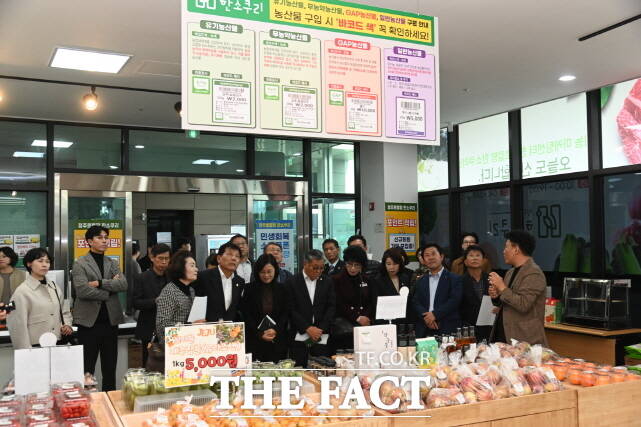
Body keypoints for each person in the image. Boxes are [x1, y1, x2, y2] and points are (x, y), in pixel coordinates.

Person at [72, 225, 128, 392]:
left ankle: (109, 399)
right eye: (99, 237)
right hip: (89, 324)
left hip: (110, 323)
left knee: (110, 368)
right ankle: (86, 401)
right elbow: (82, 291)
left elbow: (123, 284)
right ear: (89, 241)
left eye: (106, 237)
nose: (104, 241)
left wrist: (100, 283)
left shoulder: (112, 262)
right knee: (87, 369)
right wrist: (108, 291)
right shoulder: (80, 263)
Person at [489, 230, 547, 345]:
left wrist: (502, 287)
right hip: (504, 335)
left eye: (506, 247)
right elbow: (506, 301)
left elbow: (523, 304)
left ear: (516, 249)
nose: (503, 251)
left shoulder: (534, 273)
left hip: (523, 339)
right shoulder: (510, 272)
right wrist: (496, 296)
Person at [7, 248, 72, 349]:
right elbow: (17, 325)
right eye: (40, 261)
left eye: (47, 261)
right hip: (34, 346)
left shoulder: (54, 286)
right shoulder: (22, 291)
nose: (45, 265)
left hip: (57, 342)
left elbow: (64, 311)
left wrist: (67, 324)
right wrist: (25, 349)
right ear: (29, 264)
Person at [288, 249, 336, 368]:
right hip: (299, 334)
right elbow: (290, 308)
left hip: (321, 334)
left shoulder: (327, 281)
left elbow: (331, 306)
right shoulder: (292, 282)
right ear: (305, 264)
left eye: (321, 268)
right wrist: (307, 328)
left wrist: (320, 329)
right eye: (315, 268)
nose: (318, 271)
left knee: (322, 369)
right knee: (300, 369)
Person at [240, 254, 289, 363]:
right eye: (262, 272)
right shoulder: (249, 289)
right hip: (254, 339)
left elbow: (285, 313)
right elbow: (246, 314)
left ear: (275, 270)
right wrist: (259, 333)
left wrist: (275, 330)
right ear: (257, 272)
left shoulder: (283, 288)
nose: (266, 275)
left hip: (277, 339)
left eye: (269, 271)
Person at [330, 245, 375, 352]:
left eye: (357, 265)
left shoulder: (367, 279)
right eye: (349, 264)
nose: (353, 268)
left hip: (365, 326)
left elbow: (371, 301)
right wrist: (357, 317)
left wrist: (366, 317)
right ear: (345, 263)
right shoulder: (336, 280)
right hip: (344, 329)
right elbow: (339, 304)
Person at [412, 243, 462, 337]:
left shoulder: (455, 278)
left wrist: (434, 315)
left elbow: (454, 300)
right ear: (423, 260)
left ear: (441, 257)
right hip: (424, 327)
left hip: (447, 326)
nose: (431, 258)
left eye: (433, 254)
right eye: (427, 255)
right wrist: (426, 318)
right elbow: (416, 302)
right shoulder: (420, 280)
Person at [133, 243, 171, 367]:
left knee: (171, 364)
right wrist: (155, 301)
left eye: (167, 258)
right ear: (152, 258)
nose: (164, 262)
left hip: (170, 328)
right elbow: (135, 302)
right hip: (149, 327)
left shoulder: (172, 278)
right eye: (160, 258)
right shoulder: (142, 278)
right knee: (150, 364)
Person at [193, 242, 245, 322]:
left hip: (229, 327)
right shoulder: (203, 277)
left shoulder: (239, 281)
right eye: (229, 254)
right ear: (219, 258)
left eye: (237, 256)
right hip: (207, 326)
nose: (234, 258)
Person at [155, 251, 198, 341]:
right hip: (173, 343)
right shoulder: (169, 291)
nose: (196, 269)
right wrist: (189, 325)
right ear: (181, 268)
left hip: (189, 340)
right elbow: (162, 324)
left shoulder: (191, 290)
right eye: (192, 265)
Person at [459, 245, 491, 342]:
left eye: (478, 255)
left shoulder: (492, 279)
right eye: (471, 255)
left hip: (489, 326)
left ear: (483, 260)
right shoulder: (459, 281)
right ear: (465, 261)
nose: (475, 258)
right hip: (468, 327)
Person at [126, 242, 143, 315]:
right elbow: (139, 279)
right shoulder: (135, 263)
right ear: (138, 252)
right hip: (133, 292)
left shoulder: (126, 262)